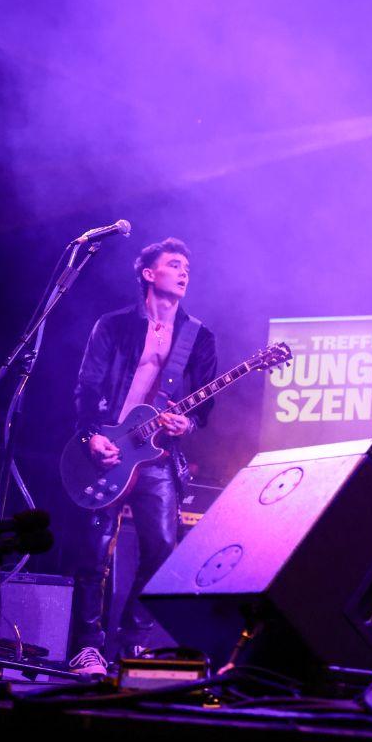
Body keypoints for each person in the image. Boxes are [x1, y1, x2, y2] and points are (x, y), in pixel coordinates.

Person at [67, 237, 217, 676]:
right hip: (108, 451)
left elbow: (204, 408)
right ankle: (86, 648)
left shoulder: (198, 335)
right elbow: (88, 387)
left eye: (187, 265)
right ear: (149, 274)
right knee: (94, 553)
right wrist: (91, 435)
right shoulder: (112, 326)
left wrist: (185, 424)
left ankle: (132, 645)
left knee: (162, 552)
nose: (184, 271)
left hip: (156, 457)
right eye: (174, 264)